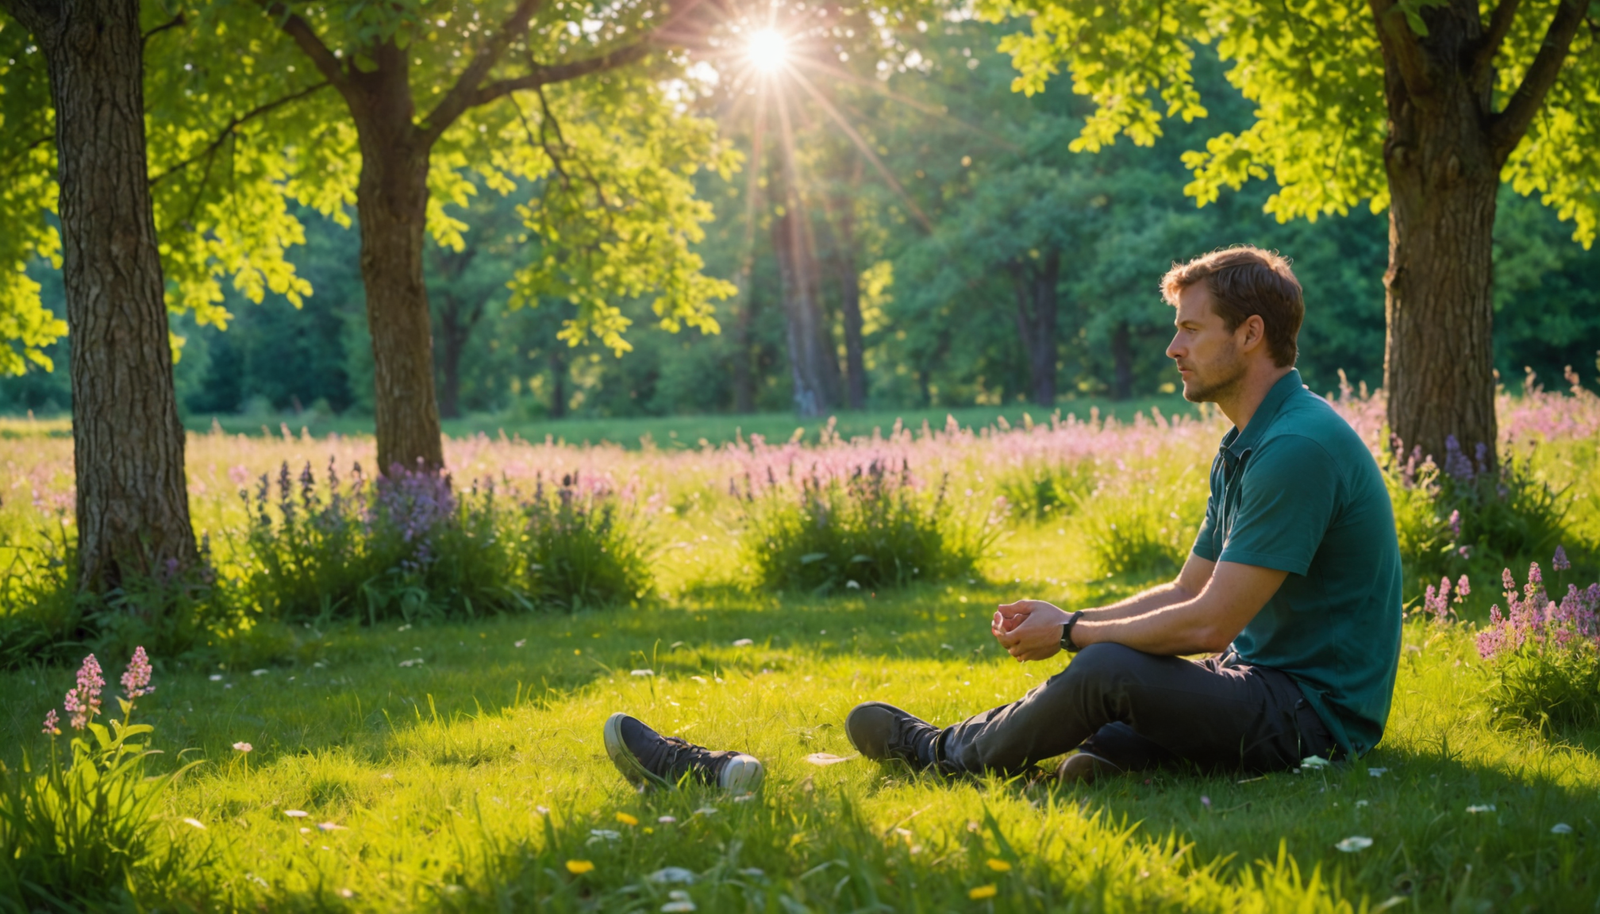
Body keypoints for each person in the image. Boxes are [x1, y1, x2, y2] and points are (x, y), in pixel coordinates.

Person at [602, 246, 1402, 791]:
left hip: (1314, 719)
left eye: (1191, 328)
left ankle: (942, 754)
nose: (1173, 348)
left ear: (1251, 334)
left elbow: (1207, 625)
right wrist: (1074, 619)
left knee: (1107, 673)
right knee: (1106, 717)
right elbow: (1186, 591)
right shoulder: (1250, 441)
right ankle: (1111, 757)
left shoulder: (1296, 446)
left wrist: (1073, 633)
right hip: (1260, 687)